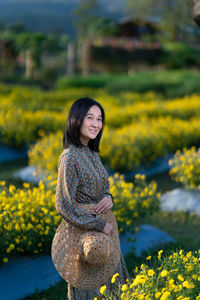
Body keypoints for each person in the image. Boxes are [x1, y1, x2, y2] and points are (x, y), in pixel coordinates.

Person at [52, 97, 130, 299]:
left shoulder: (91, 152)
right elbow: (63, 203)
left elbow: (103, 186)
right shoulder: (70, 156)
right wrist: (96, 224)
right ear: (77, 119)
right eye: (90, 118)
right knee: (93, 289)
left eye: (99, 119)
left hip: (104, 233)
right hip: (88, 236)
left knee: (113, 285)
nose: (96, 124)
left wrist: (108, 196)